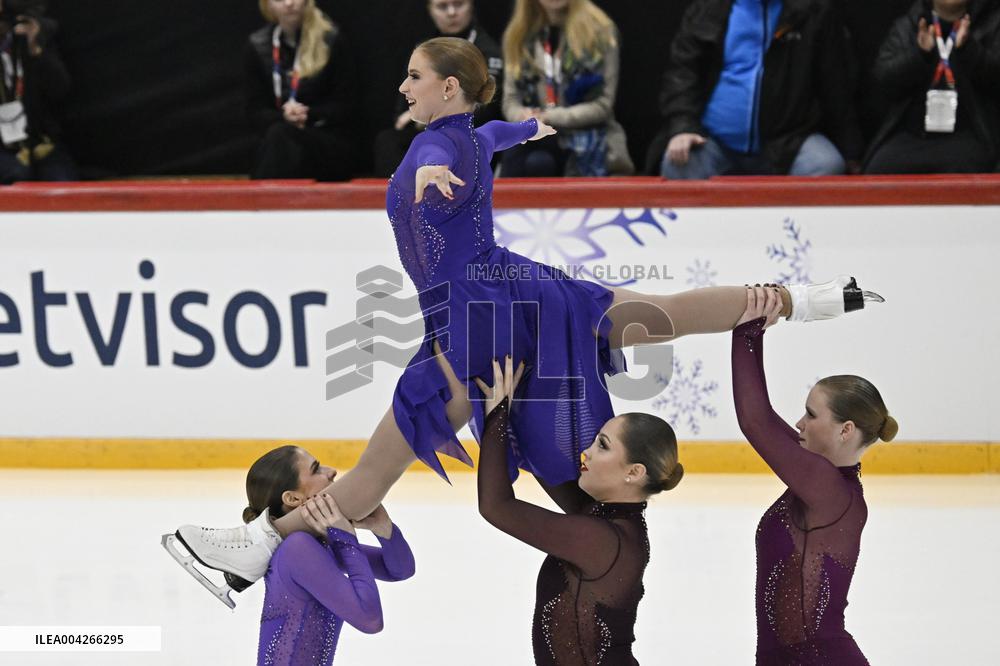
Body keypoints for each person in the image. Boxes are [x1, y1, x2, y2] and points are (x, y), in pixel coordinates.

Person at [170, 38, 880, 605]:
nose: (402, 86)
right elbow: (494, 134)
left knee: (374, 472)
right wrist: (528, 127)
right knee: (660, 316)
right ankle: (805, 298)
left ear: (449, 87)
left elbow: (442, 155)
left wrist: (429, 175)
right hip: (514, 290)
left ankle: (256, 546)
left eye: (414, 76)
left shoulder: (438, 147)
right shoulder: (469, 137)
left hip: (476, 320)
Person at [475, 356, 682, 664]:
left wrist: (497, 414)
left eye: (603, 445)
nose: (586, 452)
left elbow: (496, 506)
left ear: (634, 472)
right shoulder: (607, 518)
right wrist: (518, 402)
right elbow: (540, 463)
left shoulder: (602, 540)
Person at [731, 286, 898, 664]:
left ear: (845, 430)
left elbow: (756, 423)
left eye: (811, 414)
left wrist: (746, 333)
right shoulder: (826, 482)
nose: (799, 423)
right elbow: (765, 419)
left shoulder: (826, 487)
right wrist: (756, 332)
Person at [163, 445, 415, 665]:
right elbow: (370, 619)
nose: (331, 471)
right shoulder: (297, 548)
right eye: (316, 469)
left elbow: (398, 569)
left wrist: (384, 529)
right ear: (293, 498)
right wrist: (346, 539)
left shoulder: (316, 545)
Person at [649, 0, 863, 179]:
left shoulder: (813, 11)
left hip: (786, 143)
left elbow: (835, 85)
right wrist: (683, 128)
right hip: (713, 142)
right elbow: (682, 74)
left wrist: (851, 150)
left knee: (826, 165)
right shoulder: (707, 9)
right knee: (678, 163)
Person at [500, 0, 634, 177]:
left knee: (535, 160)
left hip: (587, 138)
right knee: (527, 155)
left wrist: (549, 116)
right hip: (537, 138)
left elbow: (603, 105)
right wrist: (523, 115)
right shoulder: (518, 35)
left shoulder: (599, 32)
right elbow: (510, 100)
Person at [864, 0, 1000, 174]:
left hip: (971, 135)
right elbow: (883, 81)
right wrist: (919, 55)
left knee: (967, 170)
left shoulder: (991, 23)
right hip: (913, 135)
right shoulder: (910, 24)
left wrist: (970, 50)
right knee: (877, 171)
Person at [372, 0, 503, 177]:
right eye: (442, 6)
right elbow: (403, 110)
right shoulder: (422, 51)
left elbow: (486, 106)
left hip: (470, 133)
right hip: (428, 132)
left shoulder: (486, 51)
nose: (451, 12)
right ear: (430, 10)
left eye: (458, 4)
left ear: (471, 5)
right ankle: (401, 193)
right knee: (389, 141)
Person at [245, 0, 357, 181]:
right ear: (267, 5)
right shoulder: (258, 46)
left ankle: (261, 196)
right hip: (279, 137)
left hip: (325, 139)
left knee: (280, 137)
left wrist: (308, 114)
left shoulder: (331, 40)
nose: (289, 3)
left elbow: (346, 105)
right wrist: (284, 116)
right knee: (278, 135)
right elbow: (255, 110)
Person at [0, 0, 78, 183]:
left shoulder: (30, 34)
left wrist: (36, 51)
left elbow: (60, 89)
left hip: (39, 142)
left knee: (65, 187)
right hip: (4, 150)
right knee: (16, 174)